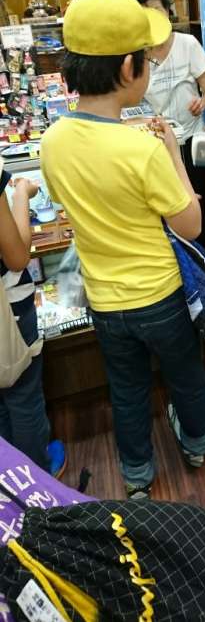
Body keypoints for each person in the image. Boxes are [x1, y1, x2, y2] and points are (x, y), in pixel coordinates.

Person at [40, 0, 205, 498]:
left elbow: (73, 201)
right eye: (144, 58)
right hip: (160, 296)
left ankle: (137, 475)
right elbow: (190, 226)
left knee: (127, 387)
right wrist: (173, 154)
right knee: (185, 374)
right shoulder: (142, 149)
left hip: (104, 300)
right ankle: (197, 442)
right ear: (126, 67)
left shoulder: (52, 142)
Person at [127, 0, 205, 247]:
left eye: (156, 9)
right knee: (164, 204)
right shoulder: (135, 52)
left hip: (191, 137)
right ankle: (173, 252)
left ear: (168, 10)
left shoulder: (187, 44)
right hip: (155, 144)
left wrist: (203, 102)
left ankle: (201, 253)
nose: (152, 17)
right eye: (143, 12)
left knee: (196, 199)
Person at [0, 169, 66, 475]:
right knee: (22, 396)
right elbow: (16, 257)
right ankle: (38, 473)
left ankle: (11, 475)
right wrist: (21, 196)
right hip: (8, 308)